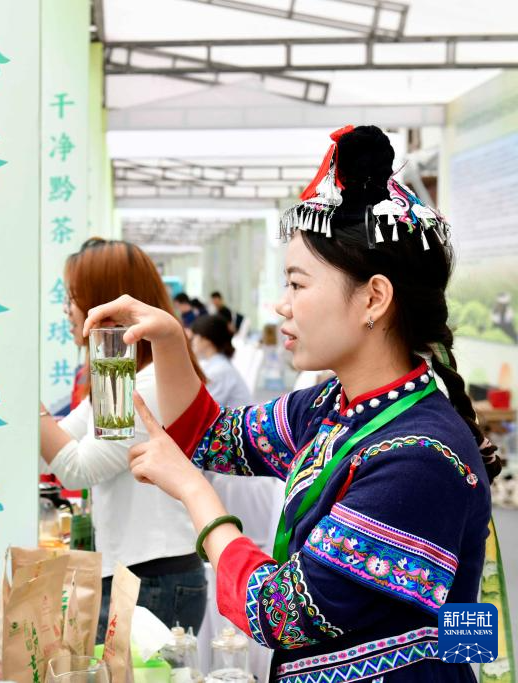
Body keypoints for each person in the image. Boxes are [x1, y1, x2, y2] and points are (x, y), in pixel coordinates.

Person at [87, 126, 500, 682]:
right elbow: (214, 437)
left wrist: (192, 490)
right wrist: (168, 339)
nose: (281, 306)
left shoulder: (419, 454)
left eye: (297, 285)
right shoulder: (333, 405)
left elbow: (283, 611)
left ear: (374, 298)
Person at [40, 239, 209, 640]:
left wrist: (25, 395)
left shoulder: (146, 385)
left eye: (73, 298)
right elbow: (54, 452)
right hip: (140, 572)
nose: (67, 310)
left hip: (155, 577)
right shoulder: (121, 377)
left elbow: (77, 469)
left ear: (104, 302)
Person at [190, 314, 252, 407]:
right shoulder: (216, 364)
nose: (192, 341)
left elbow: (202, 408)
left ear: (206, 339)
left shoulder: (218, 370)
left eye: (195, 336)